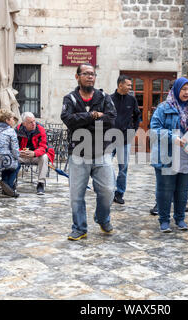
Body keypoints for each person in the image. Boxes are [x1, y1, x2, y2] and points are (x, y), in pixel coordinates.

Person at [61, 63, 117, 241]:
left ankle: (102, 217)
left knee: (108, 190)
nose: (90, 77)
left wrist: (85, 119)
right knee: (76, 195)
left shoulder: (104, 97)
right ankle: (79, 228)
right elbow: (69, 120)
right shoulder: (70, 99)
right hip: (78, 154)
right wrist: (93, 116)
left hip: (102, 151)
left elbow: (111, 120)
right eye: (85, 74)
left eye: (92, 74)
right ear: (77, 77)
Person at [150, 77, 188, 233]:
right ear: (176, 90)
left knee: (182, 190)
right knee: (165, 189)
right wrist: (173, 138)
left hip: (187, 156)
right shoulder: (163, 108)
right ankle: (164, 220)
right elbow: (154, 130)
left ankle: (180, 219)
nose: (187, 93)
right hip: (167, 155)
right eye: (184, 89)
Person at [110, 75, 141, 205]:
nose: (130, 87)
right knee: (105, 165)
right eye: (128, 85)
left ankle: (119, 193)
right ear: (120, 85)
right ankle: (108, 190)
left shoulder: (132, 100)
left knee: (123, 168)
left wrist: (132, 131)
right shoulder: (109, 99)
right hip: (109, 139)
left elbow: (137, 117)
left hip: (125, 139)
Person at [15, 112, 55, 195]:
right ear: (24, 123)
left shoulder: (40, 129)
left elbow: (43, 146)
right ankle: (11, 183)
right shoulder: (18, 130)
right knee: (12, 157)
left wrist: (34, 153)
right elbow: (13, 146)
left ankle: (41, 184)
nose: (34, 124)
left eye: (34, 121)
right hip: (23, 156)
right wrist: (19, 152)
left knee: (44, 157)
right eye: (30, 122)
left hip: (36, 156)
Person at [0, 109, 21, 198]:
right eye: (12, 119)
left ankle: (6, 189)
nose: (13, 121)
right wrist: (18, 157)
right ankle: (7, 185)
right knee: (16, 163)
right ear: (7, 120)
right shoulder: (11, 131)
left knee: (7, 162)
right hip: (4, 161)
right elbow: (15, 150)